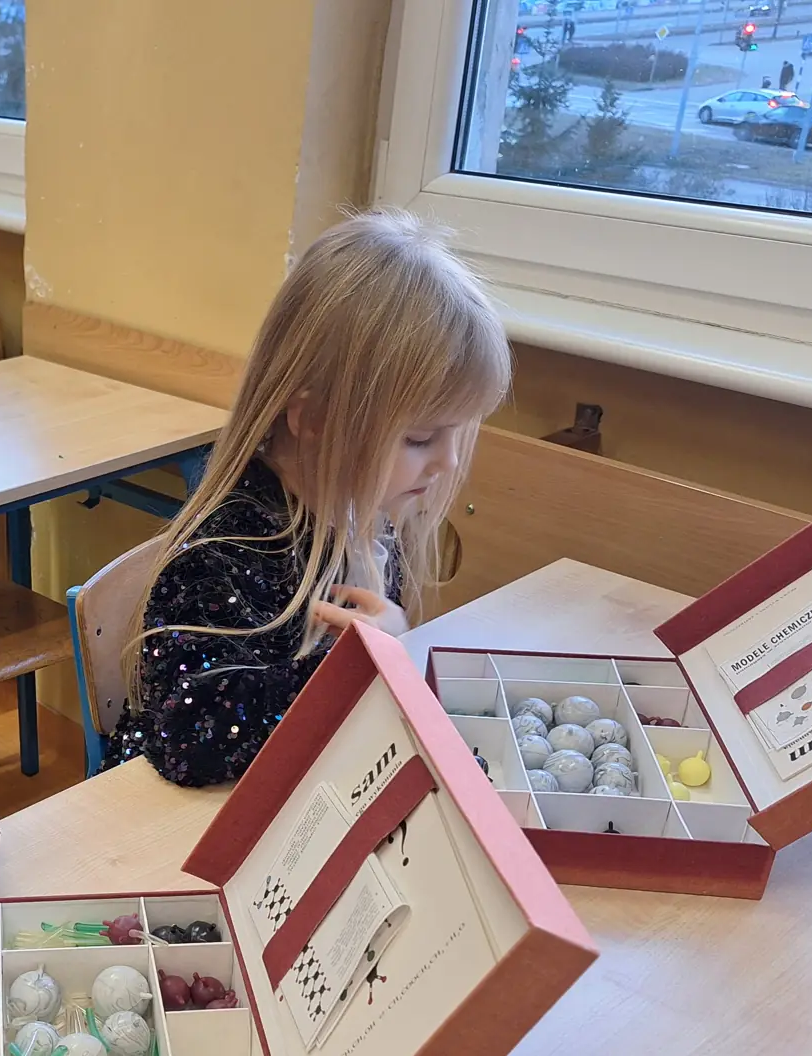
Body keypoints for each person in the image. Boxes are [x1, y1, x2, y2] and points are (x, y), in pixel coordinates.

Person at [103, 209, 510, 788]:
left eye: (456, 434)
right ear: (313, 418)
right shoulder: (223, 549)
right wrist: (362, 667)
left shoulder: (362, 514)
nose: (447, 462)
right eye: (421, 438)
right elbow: (188, 740)